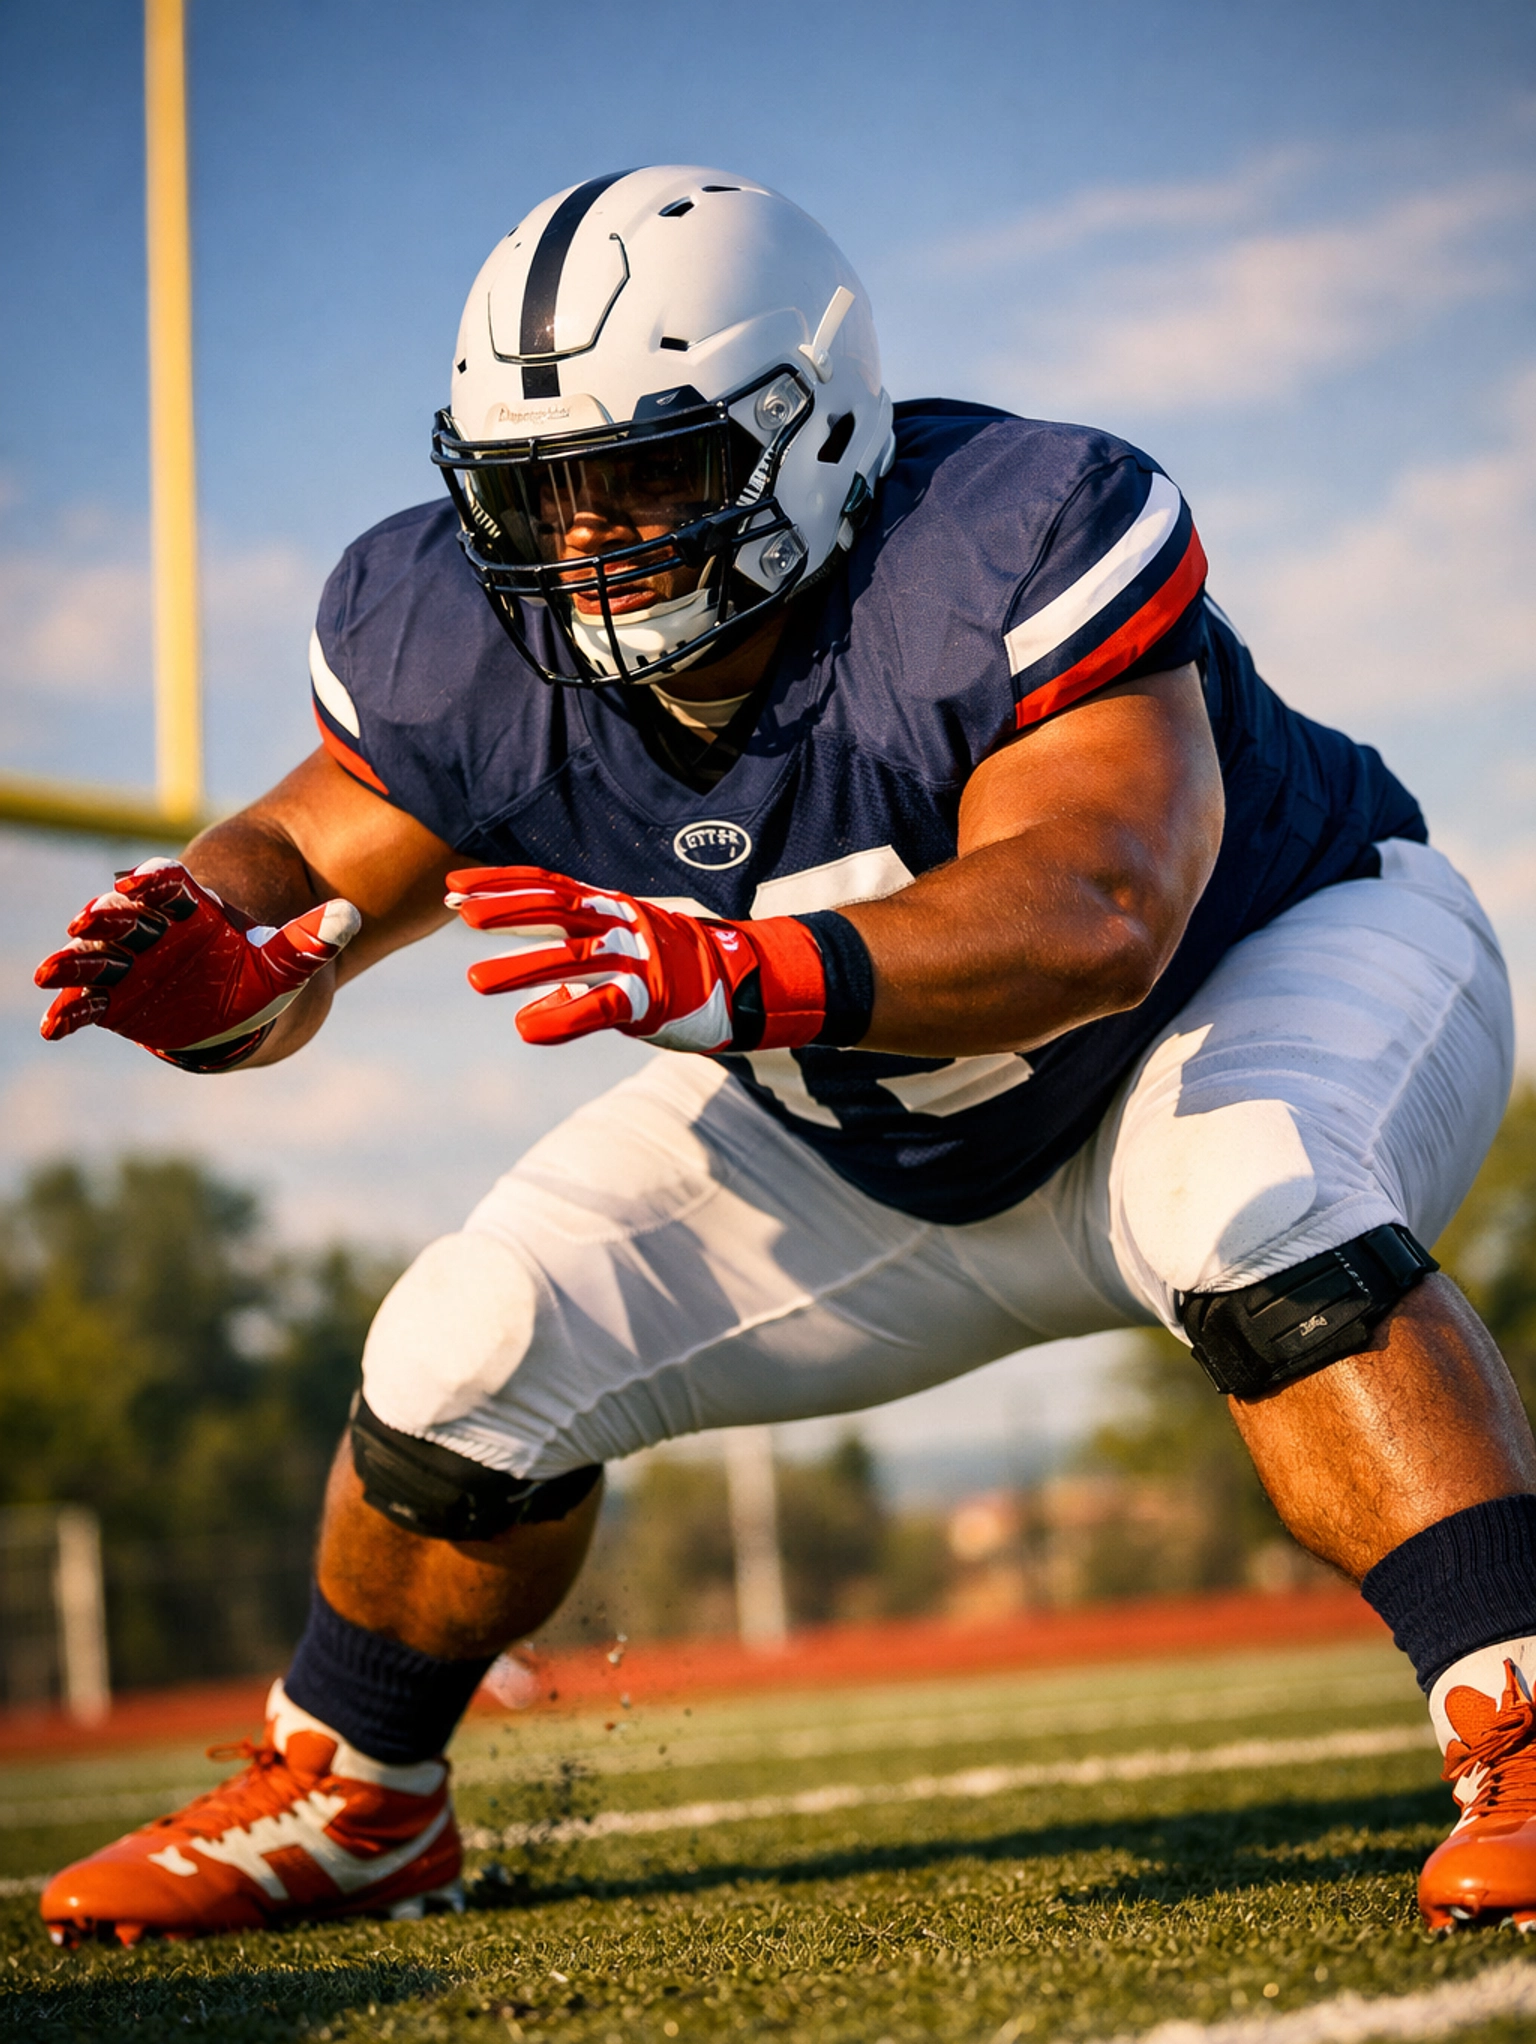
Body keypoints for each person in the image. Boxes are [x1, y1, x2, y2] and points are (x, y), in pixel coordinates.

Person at [33, 165, 1536, 1950]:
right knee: (467, 1341)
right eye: (540, 489)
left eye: (647, 472)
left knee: (1251, 1198)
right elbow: (299, 874)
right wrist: (213, 947)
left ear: (810, 429)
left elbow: (1101, 907)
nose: (585, 541)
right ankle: (354, 1794)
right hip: (860, 1134)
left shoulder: (1002, 533)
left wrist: (739, 971)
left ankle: (1519, 1700)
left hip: (1247, 985)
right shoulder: (459, 642)